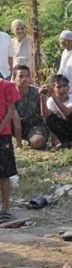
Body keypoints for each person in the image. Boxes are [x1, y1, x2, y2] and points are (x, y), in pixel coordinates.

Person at [40, 74, 72, 148]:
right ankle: (67, 142)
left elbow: (67, 112)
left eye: (65, 86)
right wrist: (42, 96)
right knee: (49, 118)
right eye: (59, 87)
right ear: (53, 89)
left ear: (68, 87)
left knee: (70, 114)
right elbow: (46, 115)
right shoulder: (51, 101)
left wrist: (53, 95)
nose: (62, 89)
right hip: (69, 132)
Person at [11, 65, 49, 150]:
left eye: (27, 76)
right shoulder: (10, 94)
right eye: (21, 76)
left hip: (35, 125)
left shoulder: (38, 92)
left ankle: (31, 138)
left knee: (37, 142)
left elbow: (47, 114)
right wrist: (19, 145)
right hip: (15, 124)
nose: (24, 79)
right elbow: (16, 121)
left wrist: (43, 97)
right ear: (13, 78)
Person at [0, 76, 20, 222]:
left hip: (3, 134)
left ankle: (5, 208)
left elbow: (11, 109)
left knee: (5, 173)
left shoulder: (7, 85)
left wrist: (1, 126)